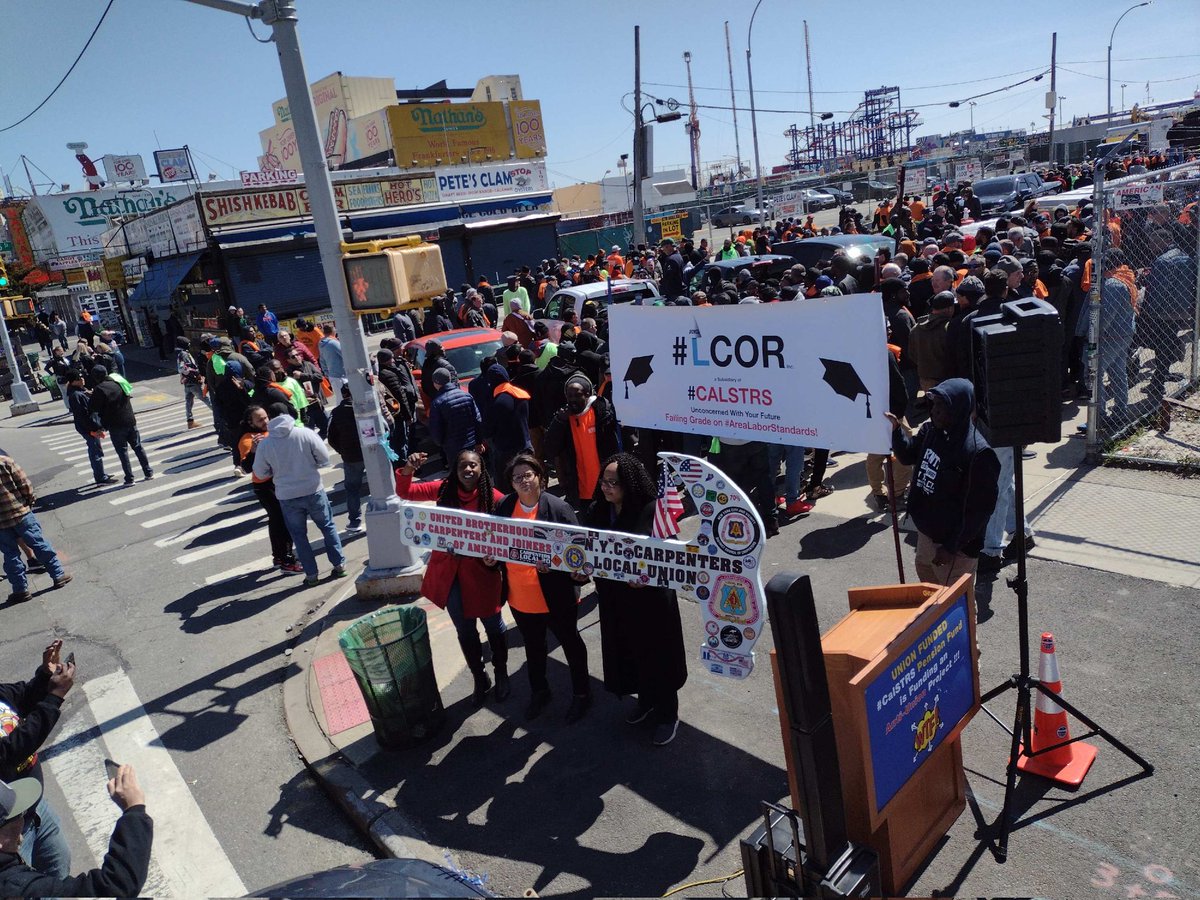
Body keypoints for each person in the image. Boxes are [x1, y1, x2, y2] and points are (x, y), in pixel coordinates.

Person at [584, 453, 687, 746]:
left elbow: (671, 559)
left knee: (657, 655)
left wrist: (647, 577)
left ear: (629, 484)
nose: (606, 488)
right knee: (629, 652)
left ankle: (668, 714)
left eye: (613, 483)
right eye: (603, 481)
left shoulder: (653, 512)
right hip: (616, 600)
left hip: (651, 604)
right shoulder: (598, 511)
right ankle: (645, 702)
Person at [397, 449, 509, 705]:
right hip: (451, 575)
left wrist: (498, 557)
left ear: (481, 470)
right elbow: (406, 492)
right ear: (455, 469)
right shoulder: (443, 489)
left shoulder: (494, 497)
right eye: (463, 466)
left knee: (493, 625)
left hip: (482, 574)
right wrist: (407, 470)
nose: (468, 470)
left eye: (473, 466)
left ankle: (501, 673)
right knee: (465, 630)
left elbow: (510, 531)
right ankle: (480, 679)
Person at [496, 453, 591, 722]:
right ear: (511, 484)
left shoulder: (558, 509)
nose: (523, 481)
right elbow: (496, 548)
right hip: (520, 599)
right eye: (517, 478)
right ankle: (540, 692)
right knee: (533, 648)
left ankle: (582, 694)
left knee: (571, 644)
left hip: (555, 598)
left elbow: (579, 555)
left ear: (540, 477)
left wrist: (562, 569)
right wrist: (491, 561)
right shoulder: (504, 508)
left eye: (528, 475)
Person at [887, 379, 999, 586]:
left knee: (955, 603)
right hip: (927, 533)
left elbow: (980, 511)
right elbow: (907, 455)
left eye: (943, 405)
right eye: (934, 404)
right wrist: (895, 431)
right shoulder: (930, 431)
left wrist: (950, 547)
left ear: (959, 408)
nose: (935, 411)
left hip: (955, 548)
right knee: (929, 590)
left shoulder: (978, 453)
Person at [0, 764, 152, 897]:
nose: (24, 817)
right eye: (17, 814)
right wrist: (134, 809)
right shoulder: (14, 886)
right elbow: (116, 888)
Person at [0, 639, 75, 877]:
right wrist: (54, 698)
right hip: (9, 834)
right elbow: (12, 749)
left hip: (35, 808)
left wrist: (45, 675)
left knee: (59, 872)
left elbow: (21, 696)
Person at [252, 402, 346, 586]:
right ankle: (339, 565)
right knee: (328, 527)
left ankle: (311, 575)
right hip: (313, 489)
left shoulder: (266, 444)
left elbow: (260, 472)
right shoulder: (305, 433)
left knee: (299, 537)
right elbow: (324, 459)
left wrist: (275, 471)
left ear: (270, 418)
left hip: (287, 495)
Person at [0, 454, 73, 603]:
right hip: (20, 512)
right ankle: (58, 575)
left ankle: (20, 589)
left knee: (10, 554)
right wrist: (29, 500)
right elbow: (24, 484)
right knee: (39, 544)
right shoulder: (5, 462)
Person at [237, 405, 302, 572]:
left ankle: (280, 556)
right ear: (251, 423)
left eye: (266, 417)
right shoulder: (247, 439)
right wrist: (253, 451)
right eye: (260, 419)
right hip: (265, 486)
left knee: (279, 520)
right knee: (281, 520)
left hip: (280, 481)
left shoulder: (272, 432)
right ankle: (286, 558)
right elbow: (247, 467)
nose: (265, 421)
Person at [543, 373, 621, 510]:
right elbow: (550, 449)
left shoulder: (601, 412)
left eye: (577, 395)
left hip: (607, 488)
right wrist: (559, 422)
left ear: (587, 394)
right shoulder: (563, 417)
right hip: (580, 491)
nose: (573, 400)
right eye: (569, 395)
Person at [85, 367, 154, 486]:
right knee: (138, 447)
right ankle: (148, 472)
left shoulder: (99, 389)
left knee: (122, 452)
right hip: (130, 420)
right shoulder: (117, 383)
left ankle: (129, 478)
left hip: (115, 424)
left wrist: (91, 396)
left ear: (95, 377)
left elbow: (93, 407)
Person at [326, 386, 367, 535]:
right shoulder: (366, 406)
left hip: (351, 457)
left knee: (352, 489)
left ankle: (355, 521)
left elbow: (330, 437)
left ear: (343, 395)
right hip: (371, 453)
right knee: (379, 485)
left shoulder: (336, 412)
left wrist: (342, 450)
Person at [480, 363, 532, 478]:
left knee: (506, 483)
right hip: (525, 444)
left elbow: (488, 429)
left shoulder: (496, 402)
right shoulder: (521, 394)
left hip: (505, 450)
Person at [65, 370, 116, 485]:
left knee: (96, 450)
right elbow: (84, 415)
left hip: (88, 427)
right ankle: (100, 477)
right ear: (74, 381)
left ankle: (101, 474)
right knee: (95, 451)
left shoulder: (78, 392)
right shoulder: (76, 395)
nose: (82, 379)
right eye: (79, 378)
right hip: (88, 428)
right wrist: (94, 429)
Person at [428, 368, 481, 467]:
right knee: (474, 471)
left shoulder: (437, 403)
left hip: (453, 447)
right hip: (470, 444)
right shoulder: (466, 395)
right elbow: (477, 420)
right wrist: (479, 441)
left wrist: (442, 444)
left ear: (435, 382)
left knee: (457, 474)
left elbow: (436, 429)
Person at [175, 337, 210, 430]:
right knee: (205, 398)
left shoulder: (180, 354)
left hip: (187, 382)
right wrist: (196, 375)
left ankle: (190, 421)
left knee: (189, 401)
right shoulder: (184, 354)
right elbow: (185, 368)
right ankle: (219, 414)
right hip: (192, 381)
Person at [318, 324, 346, 399]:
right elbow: (346, 356)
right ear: (334, 331)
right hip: (342, 376)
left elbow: (322, 360)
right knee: (345, 399)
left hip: (333, 376)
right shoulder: (334, 343)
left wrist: (327, 373)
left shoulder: (321, 344)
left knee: (340, 399)